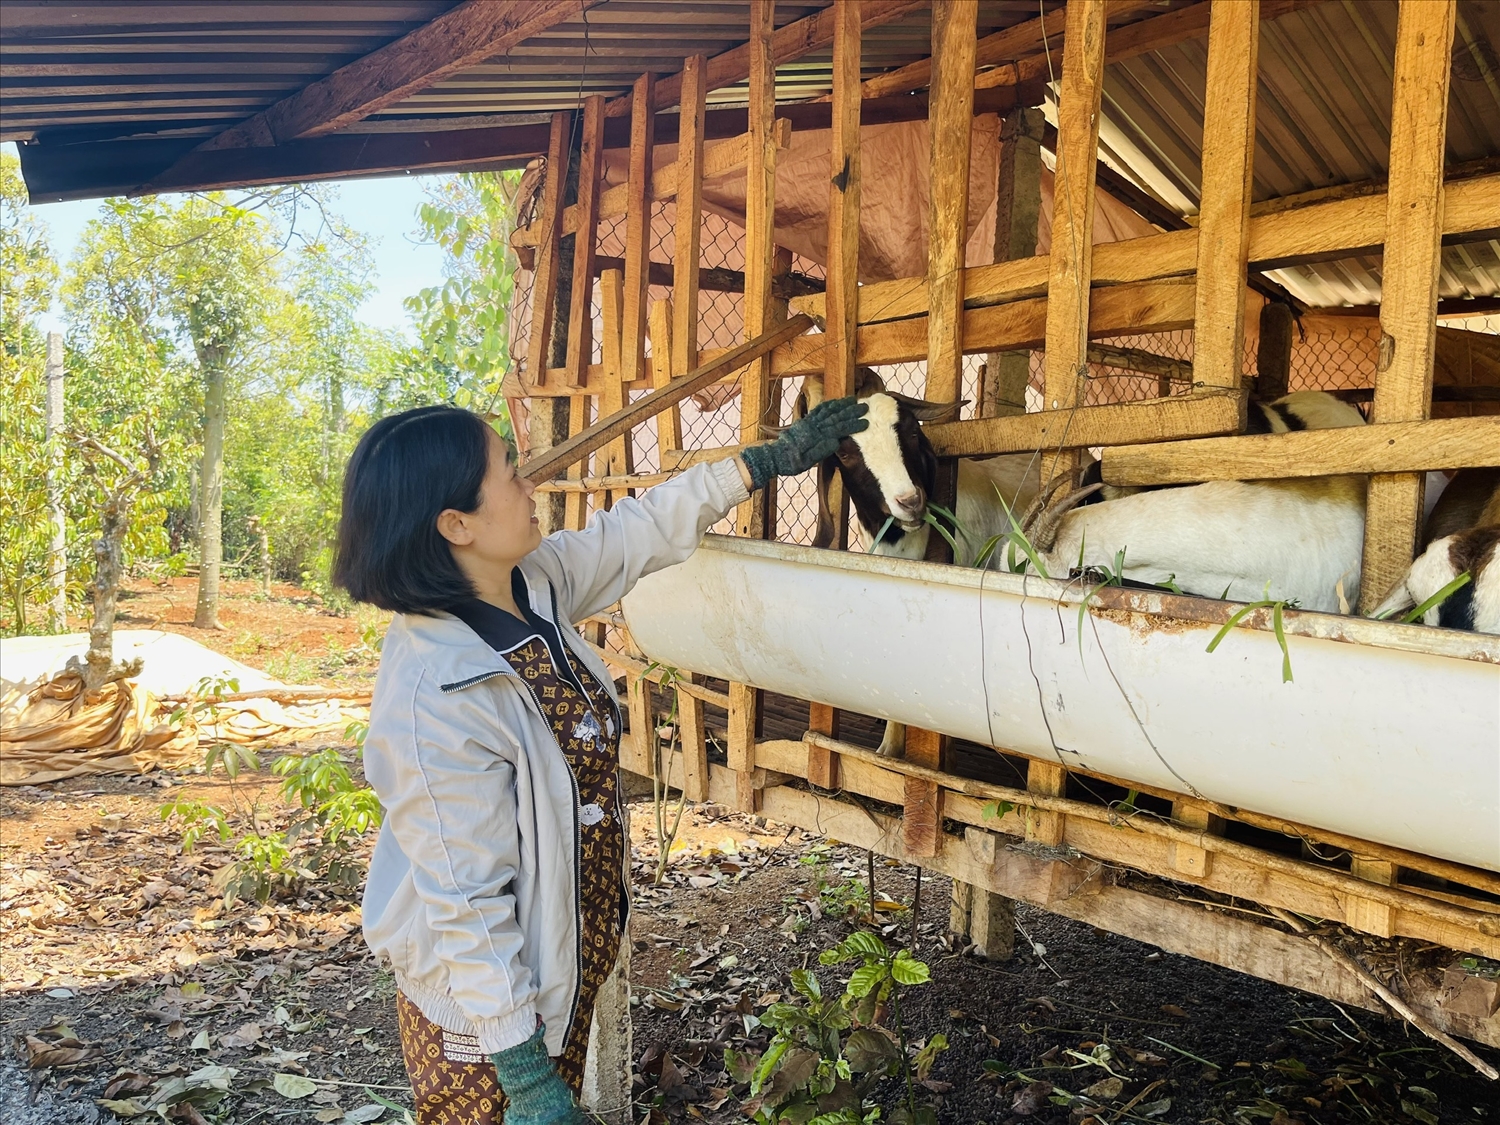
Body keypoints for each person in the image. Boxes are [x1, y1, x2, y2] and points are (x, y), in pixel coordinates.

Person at [331, 398, 869, 1125]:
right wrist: (524, 1077)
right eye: (510, 476)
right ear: (455, 525)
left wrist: (763, 464)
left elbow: (639, 532)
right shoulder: (436, 694)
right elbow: (466, 904)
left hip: (558, 974)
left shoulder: (530, 586)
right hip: (485, 1028)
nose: (532, 488)